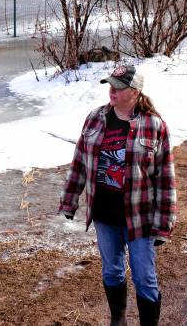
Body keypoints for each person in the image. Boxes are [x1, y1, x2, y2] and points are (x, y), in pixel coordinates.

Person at [58, 64, 176, 326]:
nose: (112, 90)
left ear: (135, 92)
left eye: (119, 87)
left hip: (139, 217)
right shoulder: (95, 118)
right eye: (110, 85)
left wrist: (164, 224)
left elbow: (165, 178)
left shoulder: (154, 125)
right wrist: (70, 199)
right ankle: (118, 319)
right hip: (103, 213)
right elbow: (79, 161)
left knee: (144, 276)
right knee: (111, 269)